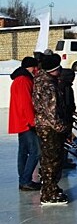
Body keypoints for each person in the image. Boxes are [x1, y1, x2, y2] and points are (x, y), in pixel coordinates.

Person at [33, 53, 70, 205]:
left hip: (46, 126)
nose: (60, 71)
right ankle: (49, 194)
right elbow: (51, 112)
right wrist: (62, 128)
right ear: (53, 70)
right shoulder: (48, 85)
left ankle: (50, 188)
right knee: (52, 161)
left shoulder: (43, 80)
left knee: (50, 159)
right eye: (58, 69)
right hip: (49, 128)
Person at [8, 56, 42, 191]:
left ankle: (23, 179)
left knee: (23, 151)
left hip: (20, 121)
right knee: (36, 151)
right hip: (25, 122)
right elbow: (26, 103)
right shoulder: (24, 80)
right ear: (32, 67)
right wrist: (32, 122)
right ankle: (25, 180)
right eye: (36, 68)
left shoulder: (19, 79)